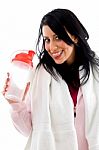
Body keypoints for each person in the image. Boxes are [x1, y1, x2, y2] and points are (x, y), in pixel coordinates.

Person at [2, 8, 99, 150]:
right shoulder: (39, 75)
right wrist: (16, 104)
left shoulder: (96, 71)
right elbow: (29, 131)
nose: (51, 47)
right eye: (47, 40)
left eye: (58, 37)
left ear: (75, 37)